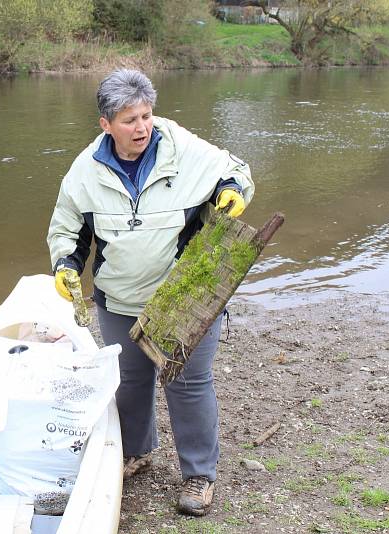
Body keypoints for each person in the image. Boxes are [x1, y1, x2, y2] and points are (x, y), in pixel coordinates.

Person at [46, 69, 254, 516]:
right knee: (131, 382)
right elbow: (68, 229)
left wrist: (233, 192)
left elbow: (235, 171)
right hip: (118, 299)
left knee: (188, 382)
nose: (141, 127)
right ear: (105, 124)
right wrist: (65, 266)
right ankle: (135, 452)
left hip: (186, 294)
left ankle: (199, 475)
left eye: (146, 116)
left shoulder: (184, 149)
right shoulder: (85, 171)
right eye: (128, 120)